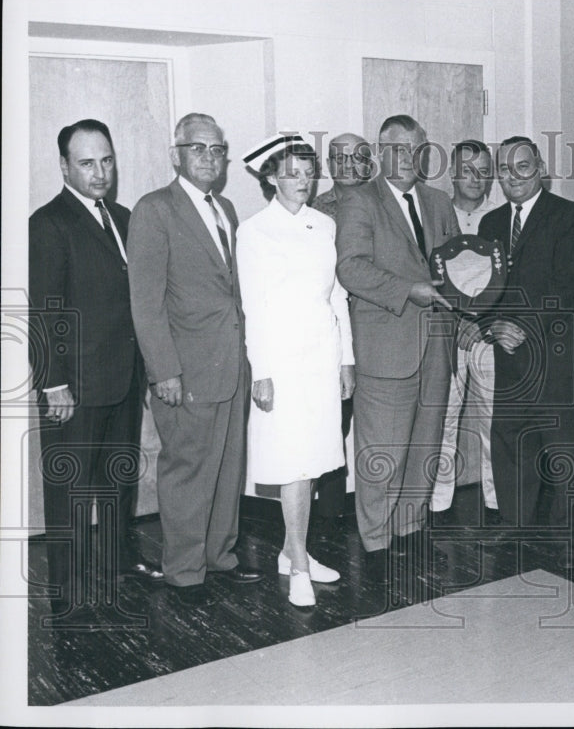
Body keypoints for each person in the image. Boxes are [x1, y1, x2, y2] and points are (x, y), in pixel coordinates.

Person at [29, 119, 163, 620]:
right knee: (69, 488)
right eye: (87, 163)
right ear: (65, 166)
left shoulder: (125, 217)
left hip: (125, 378)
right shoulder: (48, 223)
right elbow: (43, 311)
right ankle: (65, 588)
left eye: (106, 160)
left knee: (116, 481)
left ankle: (117, 562)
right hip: (75, 387)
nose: (100, 172)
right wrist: (53, 382)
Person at [128, 113, 260, 609]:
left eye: (217, 148)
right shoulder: (155, 209)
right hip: (184, 370)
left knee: (228, 467)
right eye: (197, 147)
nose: (209, 157)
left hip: (231, 364)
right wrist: (163, 370)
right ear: (176, 154)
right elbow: (146, 301)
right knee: (187, 470)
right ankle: (184, 572)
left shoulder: (225, 206)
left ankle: (219, 556)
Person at [237, 134, 354, 607]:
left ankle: (292, 550)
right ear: (269, 177)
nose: (302, 181)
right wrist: (261, 370)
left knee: (314, 458)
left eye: (308, 173)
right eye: (291, 173)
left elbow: (338, 295)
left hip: (322, 354)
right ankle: (299, 566)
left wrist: (347, 358)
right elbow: (254, 306)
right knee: (292, 460)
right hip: (281, 358)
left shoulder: (324, 224)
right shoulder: (254, 230)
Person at [336, 114, 460, 557]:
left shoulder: (439, 201)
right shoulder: (359, 201)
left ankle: (410, 528)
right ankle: (375, 540)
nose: (408, 158)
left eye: (416, 149)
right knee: (382, 451)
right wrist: (408, 290)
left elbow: (455, 267)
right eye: (398, 149)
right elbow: (350, 267)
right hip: (387, 345)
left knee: (425, 444)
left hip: (437, 347)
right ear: (381, 151)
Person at [478, 136, 574, 544]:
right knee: (510, 443)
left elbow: (568, 287)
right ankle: (515, 524)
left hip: (557, 355)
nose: (514, 178)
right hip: (509, 356)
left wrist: (520, 326)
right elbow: (481, 288)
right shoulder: (491, 224)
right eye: (505, 170)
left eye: (522, 167)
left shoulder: (570, 217)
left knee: (565, 447)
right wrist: (493, 326)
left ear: (540, 167)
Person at [430, 139, 501, 524]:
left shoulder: (502, 216)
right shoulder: (436, 214)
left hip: (487, 337)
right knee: (444, 419)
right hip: (446, 336)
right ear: (453, 174)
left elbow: (508, 282)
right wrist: (456, 322)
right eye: (467, 170)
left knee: (493, 420)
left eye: (483, 170)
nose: (476, 178)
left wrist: (479, 323)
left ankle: (496, 501)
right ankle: (439, 504)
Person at [311, 132, 373, 220]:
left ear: (369, 166)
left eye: (357, 158)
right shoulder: (314, 209)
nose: (348, 165)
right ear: (329, 165)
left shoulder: (386, 206)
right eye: (340, 158)